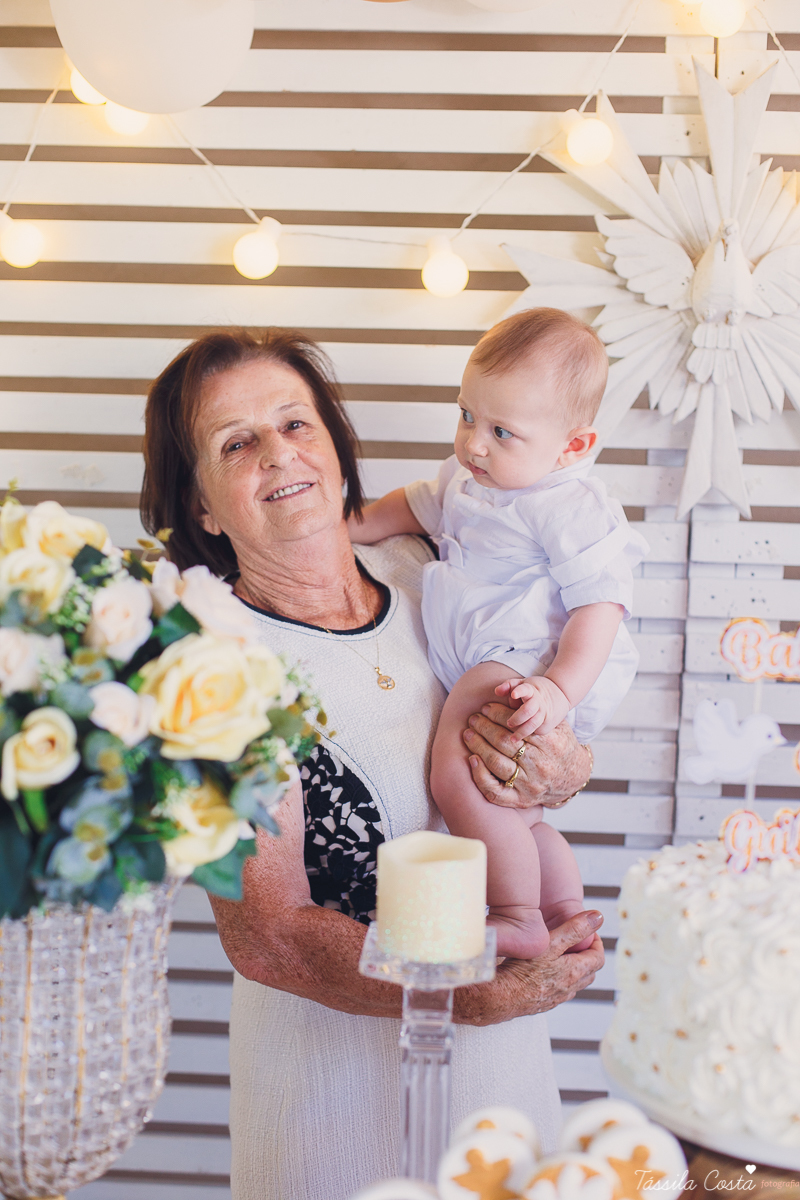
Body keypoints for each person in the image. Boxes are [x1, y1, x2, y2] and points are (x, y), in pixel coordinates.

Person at [140, 326, 605, 1200]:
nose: (281, 454)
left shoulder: (438, 566)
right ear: (202, 505)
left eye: (296, 423)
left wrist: (562, 767)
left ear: (334, 441)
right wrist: (471, 996)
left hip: (502, 1072)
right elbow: (271, 937)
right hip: (330, 1095)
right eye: (236, 443)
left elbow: (554, 727)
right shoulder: (205, 660)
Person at [349, 309, 647, 962]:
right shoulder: (472, 474)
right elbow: (420, 502)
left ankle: (514, 913)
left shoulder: (569, 505)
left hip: (525, 657)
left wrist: (557, 690)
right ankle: (563, 906)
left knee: (456, 773)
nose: (473, 443)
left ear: (571, 446)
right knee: (510, 808)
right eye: (466, 415)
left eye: (502, 431)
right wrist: (360, 525)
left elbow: (602, 607)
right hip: (485, 650)